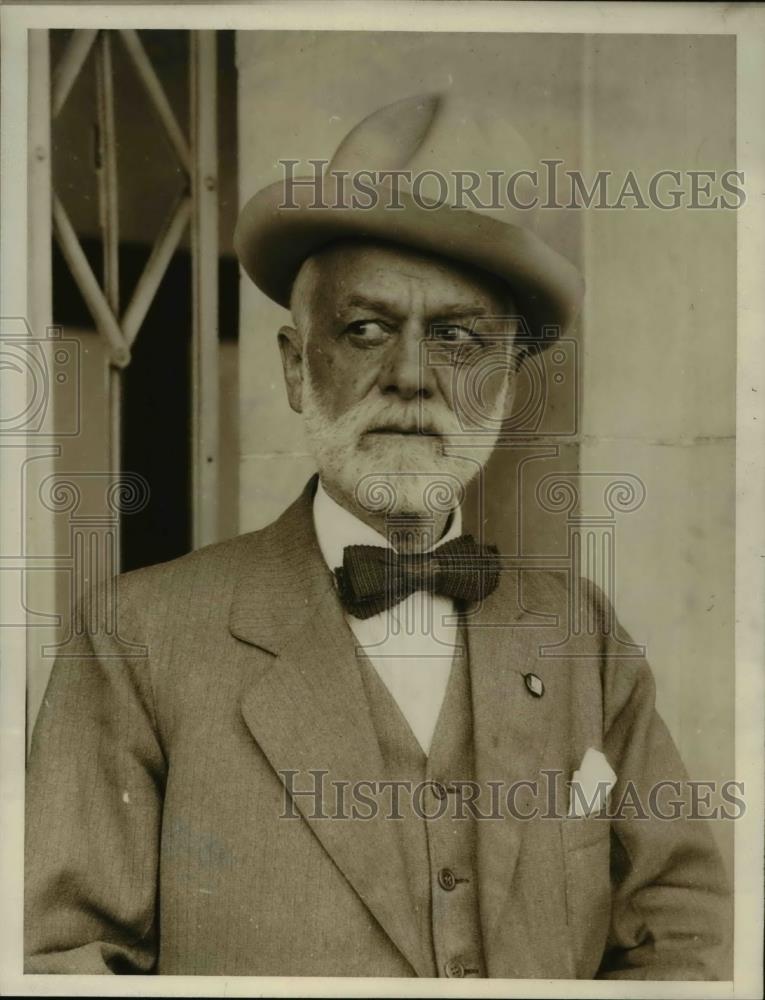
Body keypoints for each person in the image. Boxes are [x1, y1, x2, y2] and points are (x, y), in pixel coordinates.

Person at [25, 93, 730, 979]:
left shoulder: (584, 637)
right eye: (365, 330)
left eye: (460, 340)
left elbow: (683, 932)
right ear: (294, 365)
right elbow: (65, 965)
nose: (409, 377)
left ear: (507, 383)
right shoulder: (135, 636)